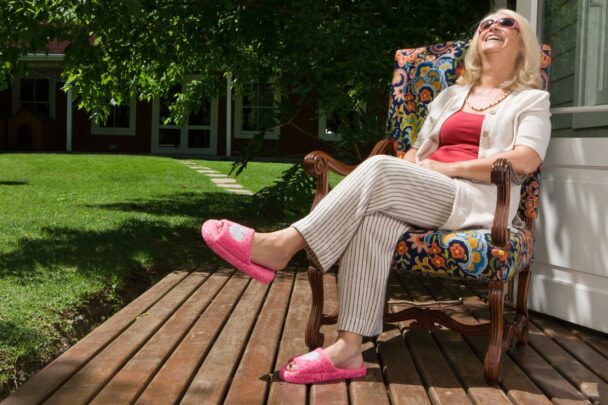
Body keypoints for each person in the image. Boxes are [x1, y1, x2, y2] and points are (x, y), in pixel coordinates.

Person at [201, 8, 551, 384]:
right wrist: (417, 163)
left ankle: (281, 246)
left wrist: (445, 169)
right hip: (426, 189)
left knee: (380, 166)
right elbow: (418, 149)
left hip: (474, 199)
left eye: (506, 22)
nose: (493, 26)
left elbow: (526, 159)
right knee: (373, 218)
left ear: (522, 44)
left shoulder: (529, 100)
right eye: (486, 23)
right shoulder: (451, 96)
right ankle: (348, 350)